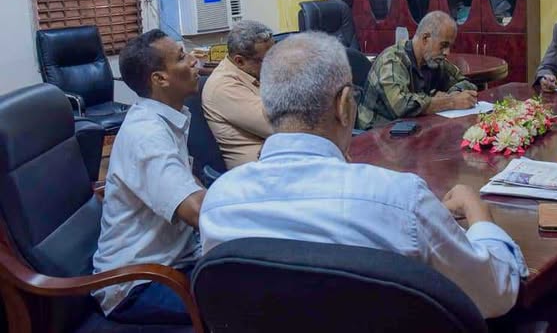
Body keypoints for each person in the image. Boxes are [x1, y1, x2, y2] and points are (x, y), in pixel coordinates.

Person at [199, 32, 527, 318]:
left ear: (267, 107)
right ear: (344, 105)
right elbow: (495, 295)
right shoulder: (401, 200)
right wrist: (479, 217)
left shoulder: (218, 203)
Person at [93, 30, 205, 324]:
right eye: (181, 57)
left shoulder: (167, 118)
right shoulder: (147, 135)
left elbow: (189, 186)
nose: (194, 61)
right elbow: (195, 211)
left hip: (175, 261)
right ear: (160, 79)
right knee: (249, 302)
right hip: (137, 284)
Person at [357, 10, 478, 129]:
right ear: (425, 38)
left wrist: (454, 93)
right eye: (443, 45)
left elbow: (465, 82)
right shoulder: (392, 60)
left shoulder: (434, 60)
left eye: (449, 46)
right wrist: (450, 102)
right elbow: (401, 106)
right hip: (376, 133)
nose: (447, 52)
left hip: (412, 128)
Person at [202, 20, 275, 169]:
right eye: (268, 59)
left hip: (279, 158)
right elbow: (282, 126)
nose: (275, 63)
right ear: (240, 61)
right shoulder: (222, 86)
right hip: (259, 172)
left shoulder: (257, 72)